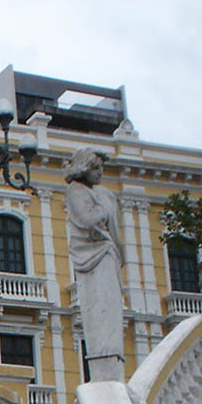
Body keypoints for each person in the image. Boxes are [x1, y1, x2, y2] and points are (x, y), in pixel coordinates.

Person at [64, 147, 126, 382]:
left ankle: (111, 361)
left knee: (109, 309)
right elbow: (88, 219)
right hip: (93, 255)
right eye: (96, 168)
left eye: (102, 168)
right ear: (84, 168)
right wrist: (106, 206)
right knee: (100, 309)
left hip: (106, 253)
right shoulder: (77, 191)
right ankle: (104, 366)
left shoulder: (100, 193)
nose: (101, 173)